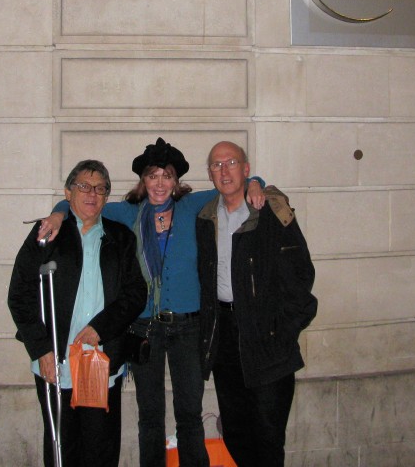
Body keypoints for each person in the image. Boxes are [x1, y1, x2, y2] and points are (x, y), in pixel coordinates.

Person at [37, 137, 266, 467]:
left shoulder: (191, 207)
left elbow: (232, 185)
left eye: (167, 176)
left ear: (176, 182)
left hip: (188, 326)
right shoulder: (127, 212)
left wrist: (257, 182)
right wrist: (57, 216)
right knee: (150, 417)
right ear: (143, 181)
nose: (160, 183)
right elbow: (77, 205)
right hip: (144, 329)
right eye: (153, 176)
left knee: (189, 413)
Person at [8, 160, 147, 467]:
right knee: (61, 447)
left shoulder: (121, 238)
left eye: (100, 188)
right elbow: (19, 295)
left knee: (100, 448)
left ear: (107, 196)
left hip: (100, 360)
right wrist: (40, 348)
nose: (92, 194)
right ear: (68, 193)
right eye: (84, 186)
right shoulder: (46, 234)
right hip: (54, 362)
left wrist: (102, 327)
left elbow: (136, 293)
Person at [197, 141, 318, 467]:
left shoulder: (271, 214)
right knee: (236, 433)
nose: (224, 170)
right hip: (225, 339)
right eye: (217, 165)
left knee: (267, 437)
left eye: (231, 162)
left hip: (268, 342)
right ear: (209, 174)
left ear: (247, 169)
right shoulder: (205, 217)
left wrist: (282, 330)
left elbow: (302, 275)